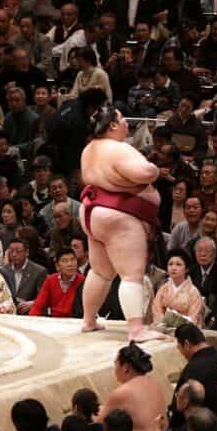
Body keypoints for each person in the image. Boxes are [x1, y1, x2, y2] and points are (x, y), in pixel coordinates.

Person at [77, 93, 162, 341]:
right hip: (118, 217)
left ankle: (89, 320)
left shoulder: (89, 149)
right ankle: (136, 329)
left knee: (101, 271)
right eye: (122, 119)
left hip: (93, 212)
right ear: (112, 125)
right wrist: (154, 170)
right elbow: (141, 172)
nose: (126, 123)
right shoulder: (117, 148)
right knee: (131, 273)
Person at [96, 344, 167, 431]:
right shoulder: (155, 383)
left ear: (125, 367)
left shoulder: (122, 393)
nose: (115, 369)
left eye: (116, 364)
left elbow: (98, 424)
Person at [29, 247, 84, 317]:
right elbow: (37, 307)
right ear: (57, 266)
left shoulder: (83, 281)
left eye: (73, 260)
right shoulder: (50, 280)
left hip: (75, 322)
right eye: (65, 261)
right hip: (54, 322)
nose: (70, 264)